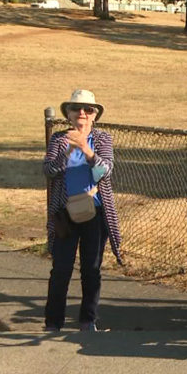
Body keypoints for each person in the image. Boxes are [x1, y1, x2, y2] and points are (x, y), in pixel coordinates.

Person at [43, 89, 122, 333]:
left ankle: (88, 321)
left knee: (91, 269)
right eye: (77, 109)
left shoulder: (102, 139)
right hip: (65, 214)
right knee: (61, 269)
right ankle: (53, 323)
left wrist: (86, 150)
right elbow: (48, 170)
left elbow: (105, 172)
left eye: (89, 110)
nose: (83, 114)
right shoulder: (58, 139)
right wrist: (68, 150)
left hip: (95, 213)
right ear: (68, 113)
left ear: (95, 116)